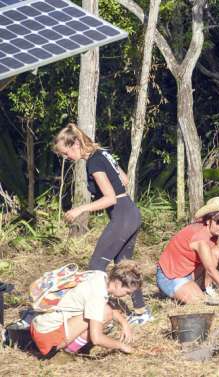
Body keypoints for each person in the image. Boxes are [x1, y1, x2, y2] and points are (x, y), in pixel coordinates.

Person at [53, 123, 150, 325]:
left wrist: (80, 209)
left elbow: (110, 199)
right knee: (124, 265)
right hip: (131, 212)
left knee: (96, 267)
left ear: (76, 143)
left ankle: (97, 316)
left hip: (122, 214)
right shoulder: (103, 154)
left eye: (65, 152)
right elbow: (123, 179)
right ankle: (141, 312)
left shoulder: (93, 162)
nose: (66, 157)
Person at [30, 260, 142, 357]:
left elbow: (105, 305)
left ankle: (68, 346)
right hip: (48, 338)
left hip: (40, 324)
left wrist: (124, 323)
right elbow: (96, 338)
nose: (127, 295)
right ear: (118, 283)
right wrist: (122, 346)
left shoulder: (99, 276)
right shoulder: (97, 295)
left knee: (105, 310)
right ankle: (67, 352)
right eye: (127, 292)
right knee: (105, 313)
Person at [156, 197, 219, 304]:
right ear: (209, 220)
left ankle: (205, 288)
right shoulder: (200, 238)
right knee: (200, 300)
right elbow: (210, 269)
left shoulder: (210, 231)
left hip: (188, 272)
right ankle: (172, 291)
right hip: (170, 276)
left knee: (217, 253)